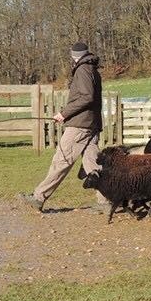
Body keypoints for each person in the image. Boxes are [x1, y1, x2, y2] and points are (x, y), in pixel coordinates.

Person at [19, 42, 109, 213]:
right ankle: (107, 200)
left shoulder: (82, 70)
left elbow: (86, 97)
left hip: (80, 125)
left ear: (74, 56)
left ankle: (38, 198)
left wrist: (64, 114)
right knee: (92, 164)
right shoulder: (92, 70)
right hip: (91, 124)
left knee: (61, 161)